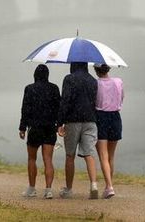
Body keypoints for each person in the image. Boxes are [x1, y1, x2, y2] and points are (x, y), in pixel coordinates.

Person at [57, 62, 99, 199]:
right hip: (90, 120)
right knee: (89, 153)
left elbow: (65, 101)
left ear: (73, 65)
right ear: (86, 65)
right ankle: (93, 185)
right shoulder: (93, 80)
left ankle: (69, 189)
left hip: (73, 121)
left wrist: (60, 123)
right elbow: (95, 101)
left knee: (70, 155)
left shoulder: (69, 79)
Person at [19, 64, 61, 199]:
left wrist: (22, 127)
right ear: (47, 75)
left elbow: (25, 109)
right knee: (48, 159)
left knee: (32, 158)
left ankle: (32, 189)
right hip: (49, 128)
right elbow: (58, 109)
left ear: (35, 75)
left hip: (35, 128)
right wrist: (59, 125)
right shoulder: (54, 88)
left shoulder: (29, 89)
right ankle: (48, 190)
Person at [93, 64, 124, 199]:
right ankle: (108, 185)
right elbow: (122, 97)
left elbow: (93, 101)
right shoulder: (118, 81)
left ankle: (109, 186)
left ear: (96, 70)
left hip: (101, 117)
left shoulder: (96, 84)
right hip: (115, 117)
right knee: (111, 156)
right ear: (108, 69)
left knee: (103, 156)